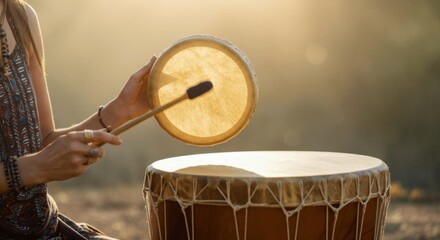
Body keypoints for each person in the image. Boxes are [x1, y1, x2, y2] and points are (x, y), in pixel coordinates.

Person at [0, 0, 156, 239]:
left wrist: (121, 110)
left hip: (43, 228)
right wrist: (34, 167)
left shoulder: (20, 17)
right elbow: (39, 161)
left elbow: (41, 142)